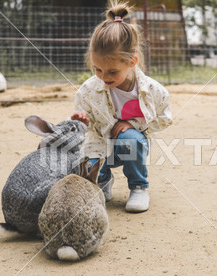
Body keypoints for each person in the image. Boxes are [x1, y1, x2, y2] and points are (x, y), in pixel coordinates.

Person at [71, 0, 172, 213]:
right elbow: (85, 120)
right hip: (100, 142)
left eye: (112, 72)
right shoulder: (89, 89)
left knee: (130, 141)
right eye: (98, 69)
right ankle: (103, 182)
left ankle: (138, 187)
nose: (104, 77)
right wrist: (82, 120)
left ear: (132, 61)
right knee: (83, 154)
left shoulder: (151, 90)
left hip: (129, 144)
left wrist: (133, 124)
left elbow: (165, 117)